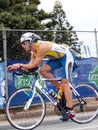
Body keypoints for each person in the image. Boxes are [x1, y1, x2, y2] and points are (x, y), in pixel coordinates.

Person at [7, 32, 76, 120]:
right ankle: (60, 89)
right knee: (43, 70)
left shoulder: (41, 47)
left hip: (67, 55)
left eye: (24, 43)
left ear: (30, 42)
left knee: (65, 82)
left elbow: (34, 64)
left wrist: (20, 65)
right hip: (57, 59)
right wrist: (17, 68)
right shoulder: (33, 52)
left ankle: (71, 111)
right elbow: (31, 65)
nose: (22, 46)